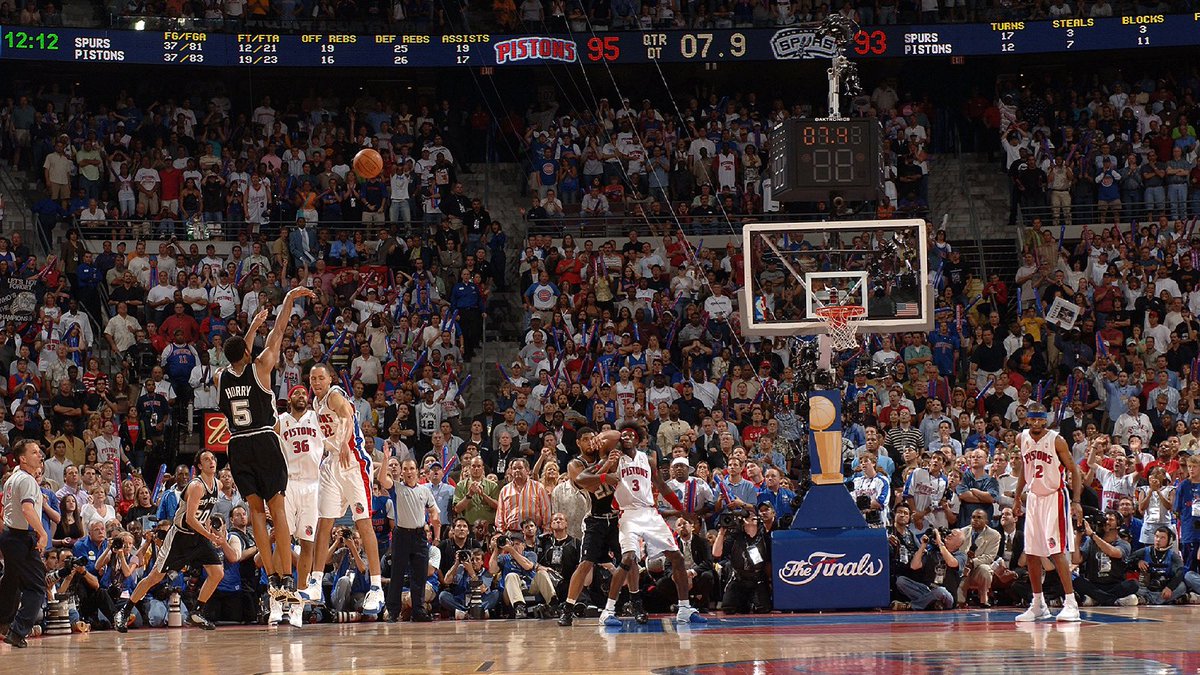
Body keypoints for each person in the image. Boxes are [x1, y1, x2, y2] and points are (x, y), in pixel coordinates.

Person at [215, 287, 313, 610]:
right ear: (246, 350)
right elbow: (280, 330)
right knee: (279, 510)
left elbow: (236, 353)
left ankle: (271, 577)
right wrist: (289, 299)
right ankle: (287, 576)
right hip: (264, 439)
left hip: (237, 445)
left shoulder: (220, 377)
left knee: (256, 511)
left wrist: (251, 329)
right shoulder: (261, 367)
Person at [578, 425, 704, 625]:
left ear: (639, 440)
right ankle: (608, 611)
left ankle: (684, 609)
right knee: (628, 558)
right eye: (624, 434)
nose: (627, 436)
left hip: (650, 512)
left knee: (677, 557)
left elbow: (662, 486)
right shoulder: (614, 459)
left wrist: (681, 510)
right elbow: (581, 478)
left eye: (632, 434)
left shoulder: (648, 459)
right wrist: (604, 475)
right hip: (628, 514)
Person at [308, 362, 386, 618]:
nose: (317, 382)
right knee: (324, 523)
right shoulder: (316, 405)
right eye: (313, 379)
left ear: (329, 379)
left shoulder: (335, 394)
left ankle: (376, 586)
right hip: (331, 463)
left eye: (321, 377)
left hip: (353, 462)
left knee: (363, 523)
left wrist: (343, 442)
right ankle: (315, 582)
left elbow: (347, 416)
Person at [114, 451, 224, 632]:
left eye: (213, 458)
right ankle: (124, 611)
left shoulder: (217, 485)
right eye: (206, 459)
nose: (211, 461)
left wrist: (209, 530)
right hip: (180, 537)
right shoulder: (197, 486)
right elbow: (190, 519)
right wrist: (210, 535)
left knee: (217, 572)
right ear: (199, 466)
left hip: (198, 536)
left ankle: (197, 611)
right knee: (155, 577)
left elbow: (204, 513)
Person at [1014, 403, 1084, 622]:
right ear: (1027, 420)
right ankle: (1038, 604)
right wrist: (1017, 497)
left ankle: (1071, 603)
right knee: (1032, 552)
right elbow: (1025, 472)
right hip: (1034, 498)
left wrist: (1076, 501)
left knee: (1057, 550)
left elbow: (1074, 469)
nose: (1036, 423)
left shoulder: (1056, 440)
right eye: (1032, 420)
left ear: (1045, 420)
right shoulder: (1021, 438)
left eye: (1040, 420)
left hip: (1055, 496)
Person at [558, 426, 628, 626]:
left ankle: (635, 602)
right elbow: (590, 485)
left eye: (592, 438)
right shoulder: (575, 464)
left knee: (628, 561)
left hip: (616, 518)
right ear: (578, 442)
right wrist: (606, 466)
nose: (591, 443)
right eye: (586, 439)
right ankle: (568, 608)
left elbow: (617, 435)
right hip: (595, 518)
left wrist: (601, 438)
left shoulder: (602, 452)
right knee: (585, 564)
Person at [277, 384, 324, 626]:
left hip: (312, 485)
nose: (301, 396)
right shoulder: (280, 420)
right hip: (288, 483)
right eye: (296, 393)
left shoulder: (316, 418)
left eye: (304, 393)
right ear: (288, 398)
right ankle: (277, 598)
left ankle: (298, 601)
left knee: (308, 544)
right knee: (282, 540)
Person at [377, 457, 440, 622]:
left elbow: (433, 510)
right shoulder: (396, 488)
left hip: (420, 536)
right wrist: (385, 459)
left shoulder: (425, 490)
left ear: (417, 471)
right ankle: (392, 611)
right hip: (401, 535)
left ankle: (418, 611)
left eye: (411, 468)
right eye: (405, 469)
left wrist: (435, 523)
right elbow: (382, 479)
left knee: (419, 575)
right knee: (397, 574)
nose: (408, 472)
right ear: (402, 472)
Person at [0, 439, 49, 648]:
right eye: (35, 452)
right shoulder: (27, 480)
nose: (40, 455)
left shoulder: (11, 479)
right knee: (37, 587)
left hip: (9, 536)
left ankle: (2, 622)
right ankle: (18, 631)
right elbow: (28, 510)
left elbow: (4, 510)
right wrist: (42, 533)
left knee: (11, 582)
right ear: (23, 458)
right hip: (22, 538)